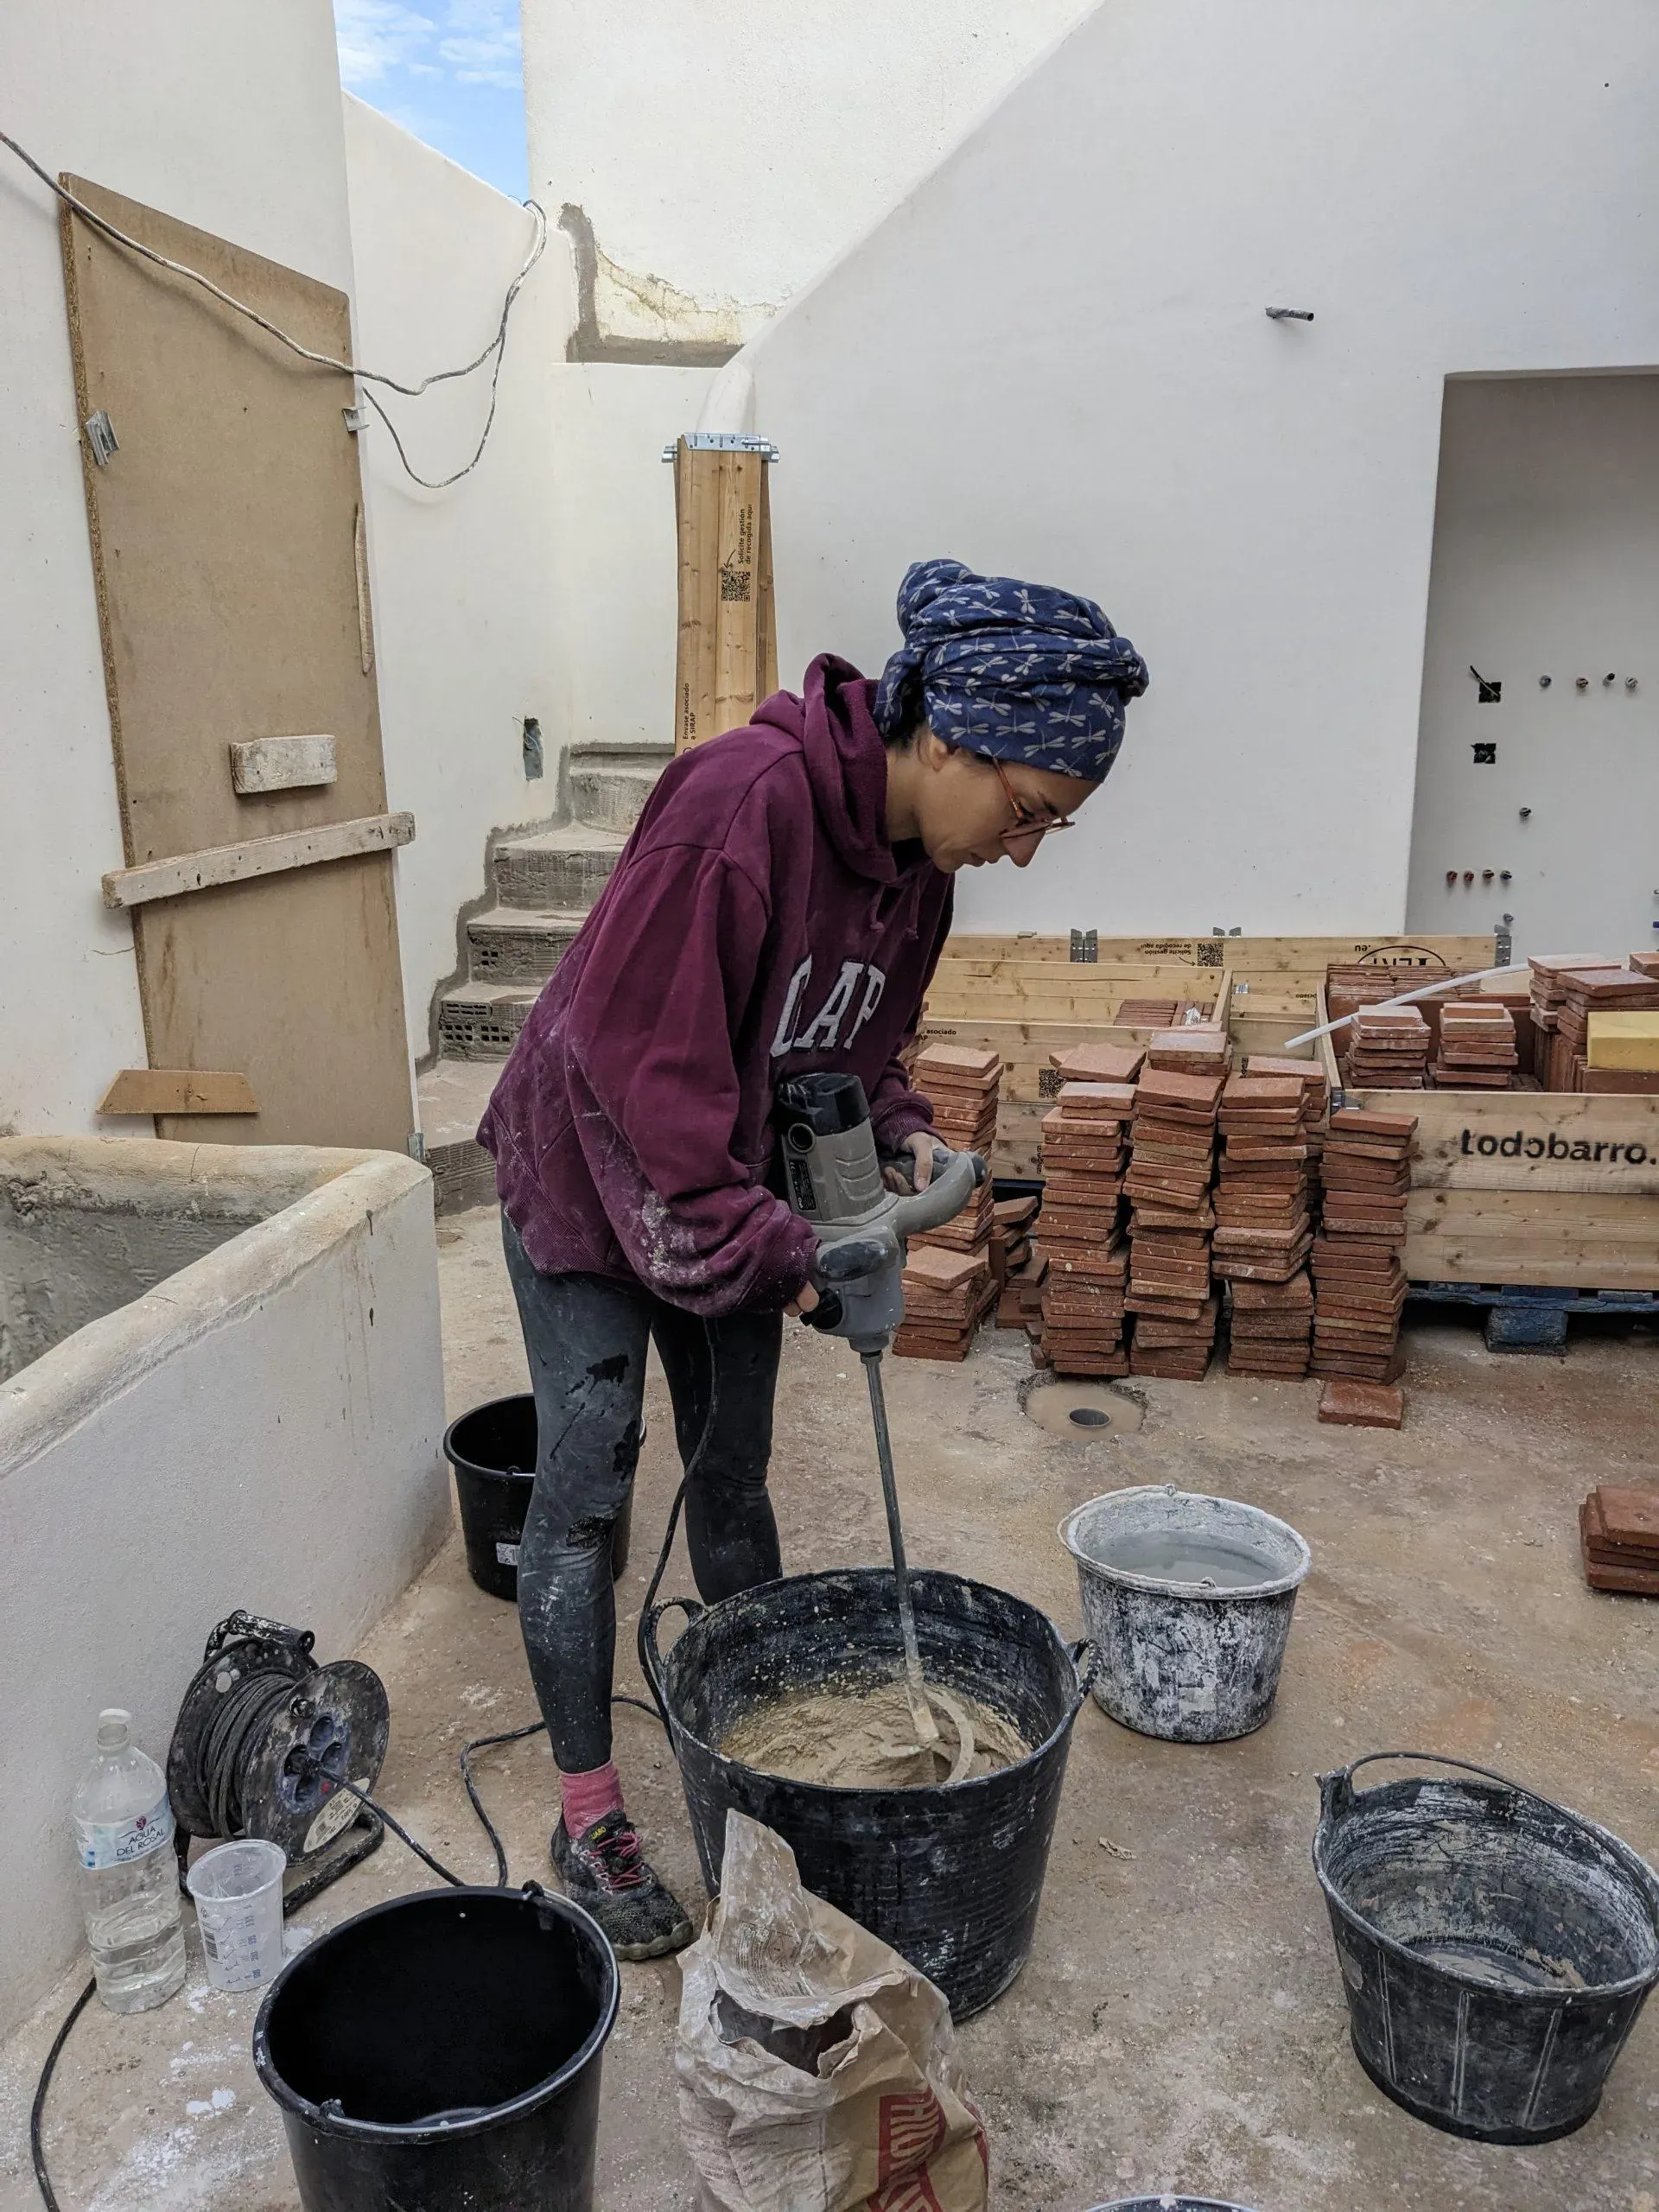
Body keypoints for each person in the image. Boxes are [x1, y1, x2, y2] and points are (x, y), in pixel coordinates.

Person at [476, 556, 1147, 1956]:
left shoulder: (921, 874)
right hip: (590, 1174)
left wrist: (897, 1133)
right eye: (1025, 813)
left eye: (1051, 834)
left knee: (733, 1473)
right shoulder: (740, 806)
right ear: (946, 733)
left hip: (719, 1180)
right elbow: (633, 1067)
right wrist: (779, 1243)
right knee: (588, 1485)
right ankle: (589, 1809)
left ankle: (763, 1741)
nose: (1022, 849)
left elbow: (844, 1043)